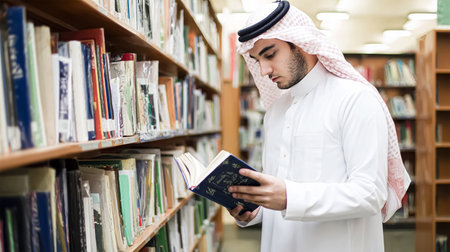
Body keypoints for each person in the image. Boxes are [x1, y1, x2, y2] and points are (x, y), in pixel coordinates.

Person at [226, 1, 411, 251]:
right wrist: (254, 212)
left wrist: (291, 197)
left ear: (302, 43)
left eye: (270, 54)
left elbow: (370, 193)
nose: (263, 70)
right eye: (256, 60)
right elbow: (280, 196)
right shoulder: (275, 112)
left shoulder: (355, 99)